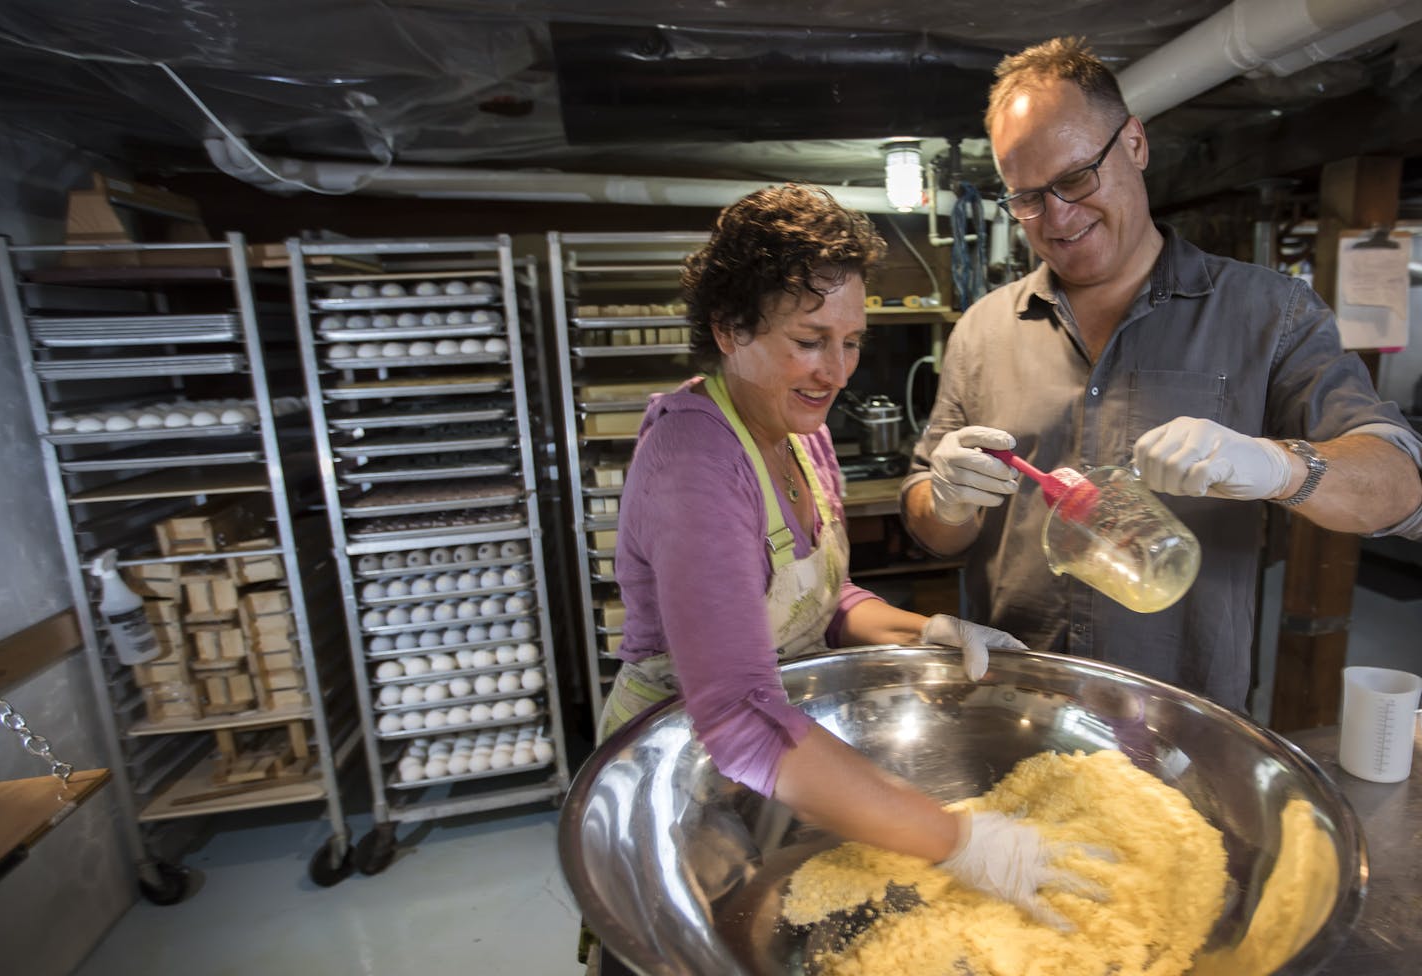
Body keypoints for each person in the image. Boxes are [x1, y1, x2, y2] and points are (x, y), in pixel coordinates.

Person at [599, 183, 1099, 927]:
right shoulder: (696, 460)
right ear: (731, 330)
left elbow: (816, 602)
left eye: (852, 339)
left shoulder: (802, 430)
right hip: (681, 773)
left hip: (774, 758)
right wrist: (959, 839)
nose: (837, 372)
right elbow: (735, 716)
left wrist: (925, 633)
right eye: (809, 341)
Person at [901, 37, 1422, 712]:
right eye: (1029, 198)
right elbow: (932, 529)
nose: (1057, 218)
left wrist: (1278, 466)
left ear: (1135, 145)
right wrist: (943, 501)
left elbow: (1400, 488)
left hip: (1182, 715)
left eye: (1077, 177)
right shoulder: (982, 330)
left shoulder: (1269, 313)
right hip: (1016, 702)